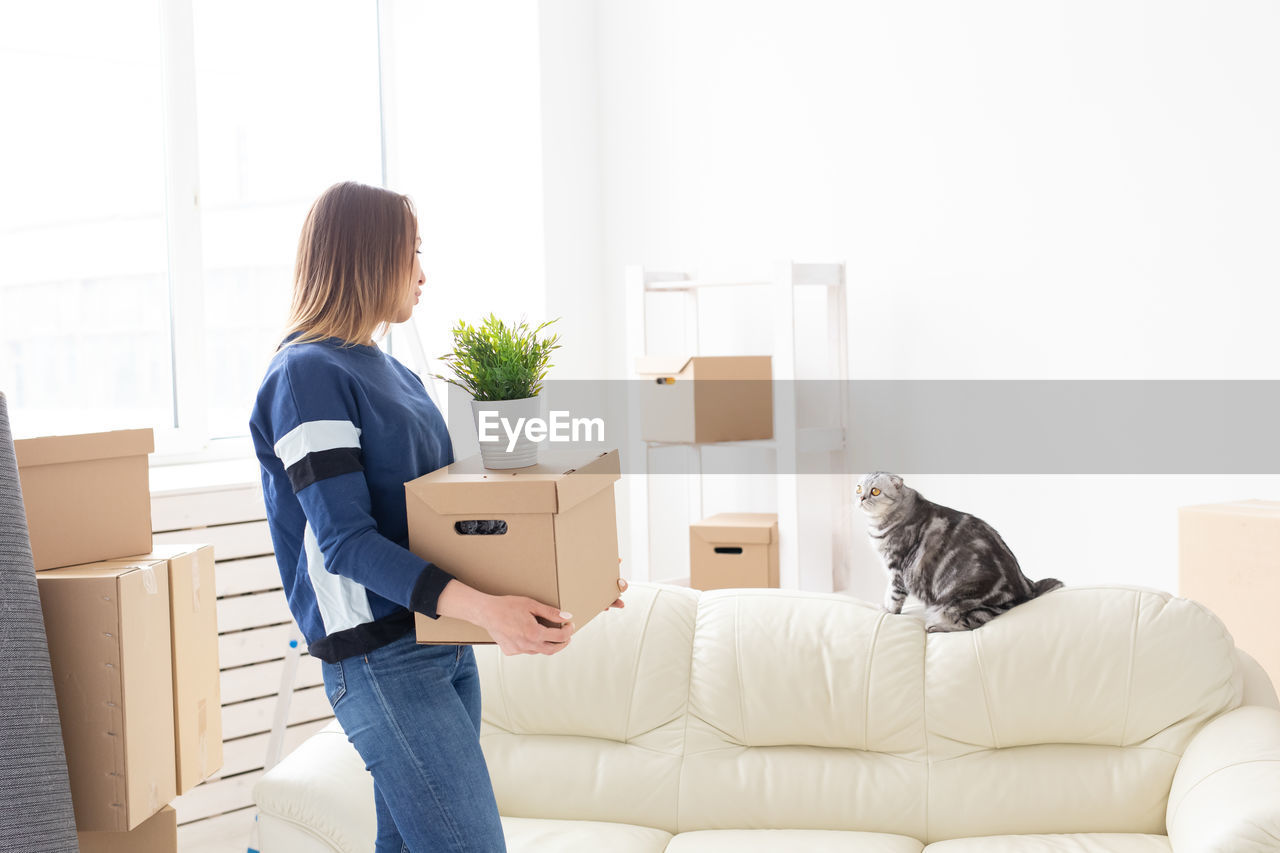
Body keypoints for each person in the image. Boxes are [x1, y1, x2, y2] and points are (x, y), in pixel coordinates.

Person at [249, 181, 626, 852]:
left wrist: (573, 576)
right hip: (379, 657)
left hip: (440, 644)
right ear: (366, 257)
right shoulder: (305, 376)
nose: (423, 273)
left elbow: (454, 516)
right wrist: (487, 609)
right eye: (410, 253)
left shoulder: (396, 374)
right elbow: (347, 543)